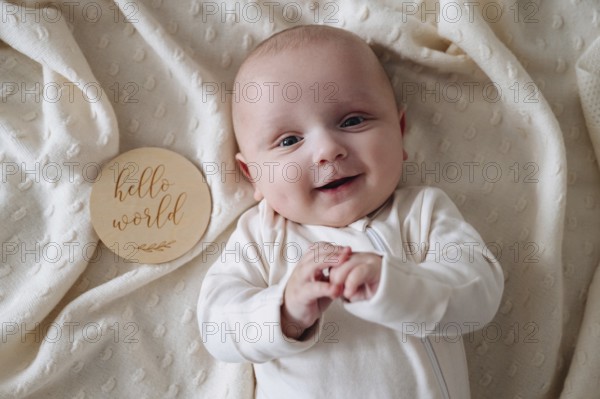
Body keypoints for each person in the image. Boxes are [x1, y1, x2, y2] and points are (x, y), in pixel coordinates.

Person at [197, 24, 504, 398]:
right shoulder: (261, 235)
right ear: (253, 175)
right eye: (289, 140)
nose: (328, 149)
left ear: (400, 131)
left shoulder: (421, 214)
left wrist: (392, 282)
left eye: (352, 120)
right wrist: (286, 311)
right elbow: (216, 326)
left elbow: (479, 292)